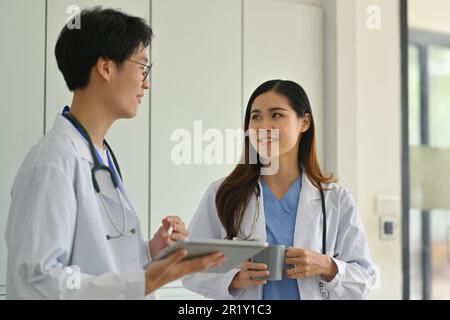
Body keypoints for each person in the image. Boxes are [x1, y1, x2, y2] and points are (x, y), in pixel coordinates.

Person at [5, 7, 225, 300]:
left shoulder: (99, 155)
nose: (146, 82)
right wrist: (142, 282)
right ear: (106, 68)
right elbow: (35, 280)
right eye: (141, 67)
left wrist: (148, 252)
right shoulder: (52, 162)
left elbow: (98, 261)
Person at [183, 80, 377, 300]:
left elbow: (364, 280)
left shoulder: (335, 199)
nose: (263, 125)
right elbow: (188, 267)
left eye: (276, 115)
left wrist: (326, 265)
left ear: (304, 123)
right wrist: (235, 279)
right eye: (256, 117)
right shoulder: (223, 193)